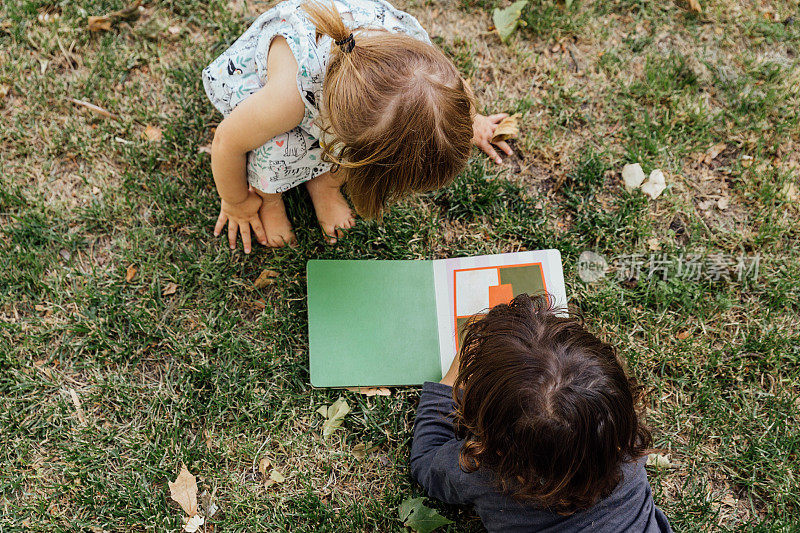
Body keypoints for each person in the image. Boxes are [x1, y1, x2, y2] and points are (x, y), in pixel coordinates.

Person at [203, 0, 513, 251]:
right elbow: (227, 142)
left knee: (356, 145)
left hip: (339, 92)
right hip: (280, 81)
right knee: (275, 145)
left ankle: (324, 184)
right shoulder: (286, 99)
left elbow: (449, 88)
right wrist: (237, 202)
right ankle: (269, 198)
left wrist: (468, 120)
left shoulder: (423, 66)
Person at [411, 294, 672, 532]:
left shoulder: (486, 476)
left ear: (496, 448)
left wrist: (450, 380)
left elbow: (425, 460)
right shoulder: (625, 443)